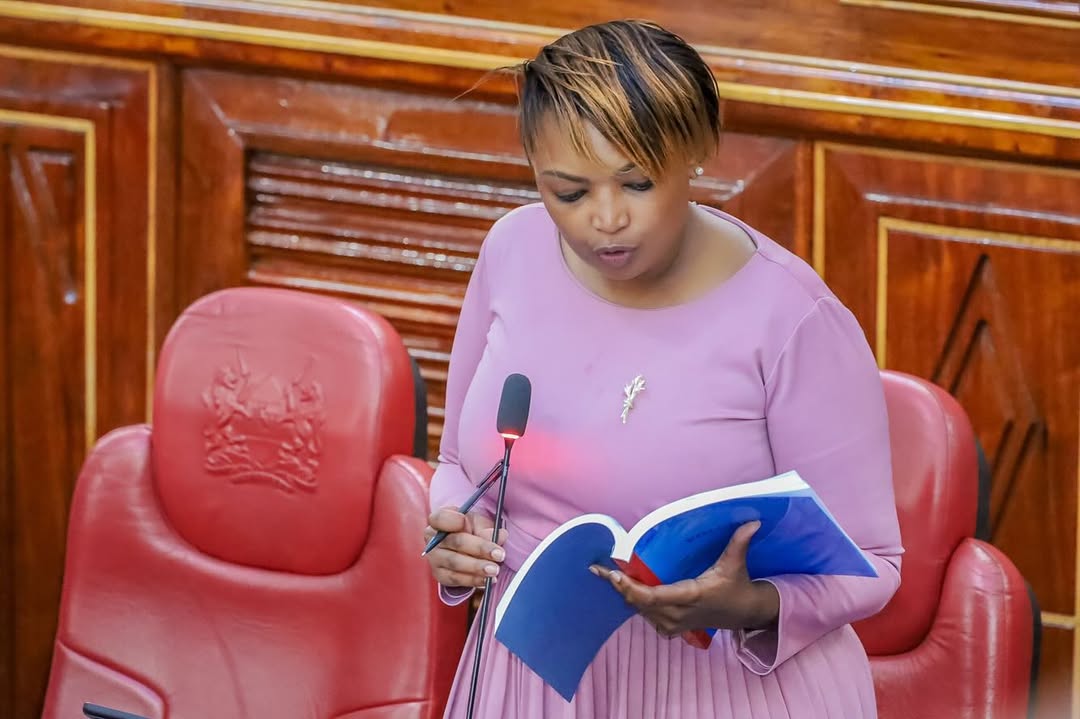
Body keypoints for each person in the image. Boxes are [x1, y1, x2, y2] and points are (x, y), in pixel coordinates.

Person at [423, 19, 903, 719]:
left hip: (727, 689)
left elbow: (874, 560)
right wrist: (451, 537)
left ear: (698, 151)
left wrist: (750, 604)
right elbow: (456, 467)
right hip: (531, 676)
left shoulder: (793, 318)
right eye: (569, 192)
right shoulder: (511, 250)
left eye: (637, 182)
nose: (606, 219)